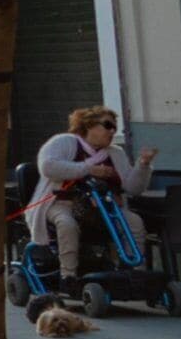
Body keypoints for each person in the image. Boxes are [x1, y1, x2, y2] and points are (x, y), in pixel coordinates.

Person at [24, 105, 154, 288]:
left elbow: (133, 188)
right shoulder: (64, 142)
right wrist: (88, 169)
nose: (112, 131)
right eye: (107, 125)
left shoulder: (115, 153)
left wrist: (143, 165)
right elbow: (48, 167)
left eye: (115, 128)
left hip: (103, 207)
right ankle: (68, 275)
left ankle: (135, 272)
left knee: (134, 222)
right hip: (61, 203)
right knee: (66, 223)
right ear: (89, 125)